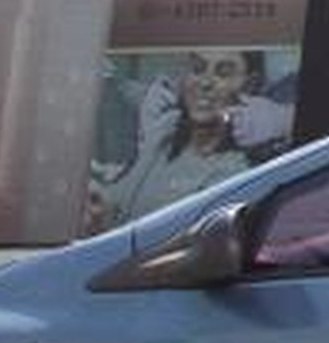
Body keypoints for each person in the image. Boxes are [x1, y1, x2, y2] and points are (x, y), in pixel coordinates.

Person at [85, 48, 293, 233]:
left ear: (250, 84)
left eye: (223, 73)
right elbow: (118, 202)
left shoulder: (239, 170)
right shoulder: (164, 128)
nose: (205, 82)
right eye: (198, 69)